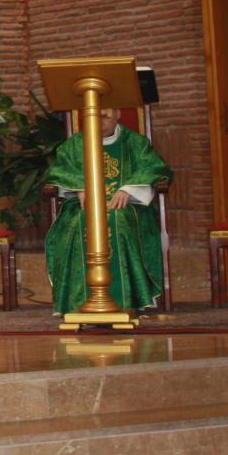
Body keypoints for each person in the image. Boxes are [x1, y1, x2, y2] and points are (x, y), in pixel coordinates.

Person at [44, 108, 171, 315]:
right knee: (80, 222)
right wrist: (78, 188)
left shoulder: (135, 144)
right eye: (93, 117)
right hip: (82, 208)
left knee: (118, 220)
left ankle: (127, 300)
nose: (99, 122)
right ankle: (78, 302)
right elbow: (59, 171)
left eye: (105, 117)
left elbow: (154, 168)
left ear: (118, 114)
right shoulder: (74, 145)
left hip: (127, 208)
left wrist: (128, 189)